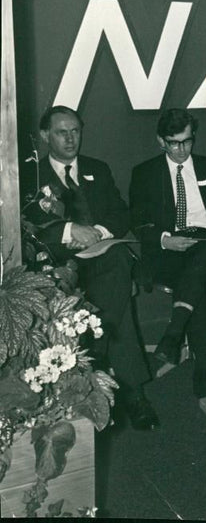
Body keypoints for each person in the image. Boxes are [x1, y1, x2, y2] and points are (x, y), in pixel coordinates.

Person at [20, 106, 158, 430]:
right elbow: (26, 227)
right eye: (61, 132)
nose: (71, 139)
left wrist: (99, 232)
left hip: (102, 257)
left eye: (76, 131)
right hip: (57, 266)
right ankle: (132, 392)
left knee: (119, 259)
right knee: (118, 307)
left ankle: (96, 364)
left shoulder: (98, 168)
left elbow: (121, 214)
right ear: (44, 136)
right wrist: (70, 231)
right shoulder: (31, 176)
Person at [129, 109, 206, 398]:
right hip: (168, 249)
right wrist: (165, 240)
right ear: (160, 141)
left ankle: (174, 333)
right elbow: (138, 221)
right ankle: (201, 358)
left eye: (187, 141)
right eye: (174, 142)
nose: (181, 150)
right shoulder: (144, 173)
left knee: (202, 257)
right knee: (197, 273)